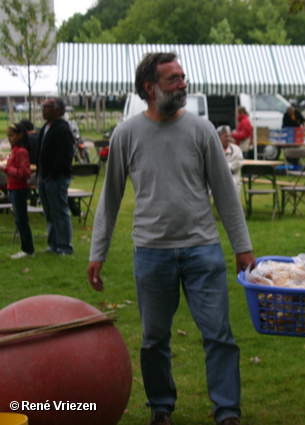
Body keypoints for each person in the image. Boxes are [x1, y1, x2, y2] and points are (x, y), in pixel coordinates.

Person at [86, 52, 255, 425]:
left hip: (203, 250)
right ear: (150, 88)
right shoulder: (127, 133)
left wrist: (242, 247)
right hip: (151, 253)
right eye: (173, 79)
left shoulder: (202, 130)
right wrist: (98, 252)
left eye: (182, 77)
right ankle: (161, 406)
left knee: (219, 335)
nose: (183, 84)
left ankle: (227, 412)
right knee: (154, 339)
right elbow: (110, 199)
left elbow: (225, 194)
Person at [37, 97, 75, 255]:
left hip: (56, 178)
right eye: (43, 106)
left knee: (59, 211)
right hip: (43, 177)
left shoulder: (62, 129)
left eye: (47, 107)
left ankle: (65, 246)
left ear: (58, 110)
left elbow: (63, 155)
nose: (44, 109)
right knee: (49, 213)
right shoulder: (45, 127)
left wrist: (52, 174)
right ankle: (53, 245)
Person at [1, 123, 35, 259]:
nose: (9, 138)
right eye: (8, 136)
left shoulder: (21, 151)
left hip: (20, 189)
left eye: (11, 135)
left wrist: (5, 169)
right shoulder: (15, 150)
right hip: (13, 188)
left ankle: (28, 249)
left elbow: (24, 172)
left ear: (20, 135)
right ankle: (26, 248)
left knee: (21, 220)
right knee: (18, 220)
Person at [218, 125, 244, 196]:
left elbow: (237, 165)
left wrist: (222, 167)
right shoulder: (213, 150)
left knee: (232, 184)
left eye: (229, 136)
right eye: (226, 136)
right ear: (219, 137)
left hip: (232, 177)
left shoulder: (236, 149)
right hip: (216, 178)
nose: (228, 139)